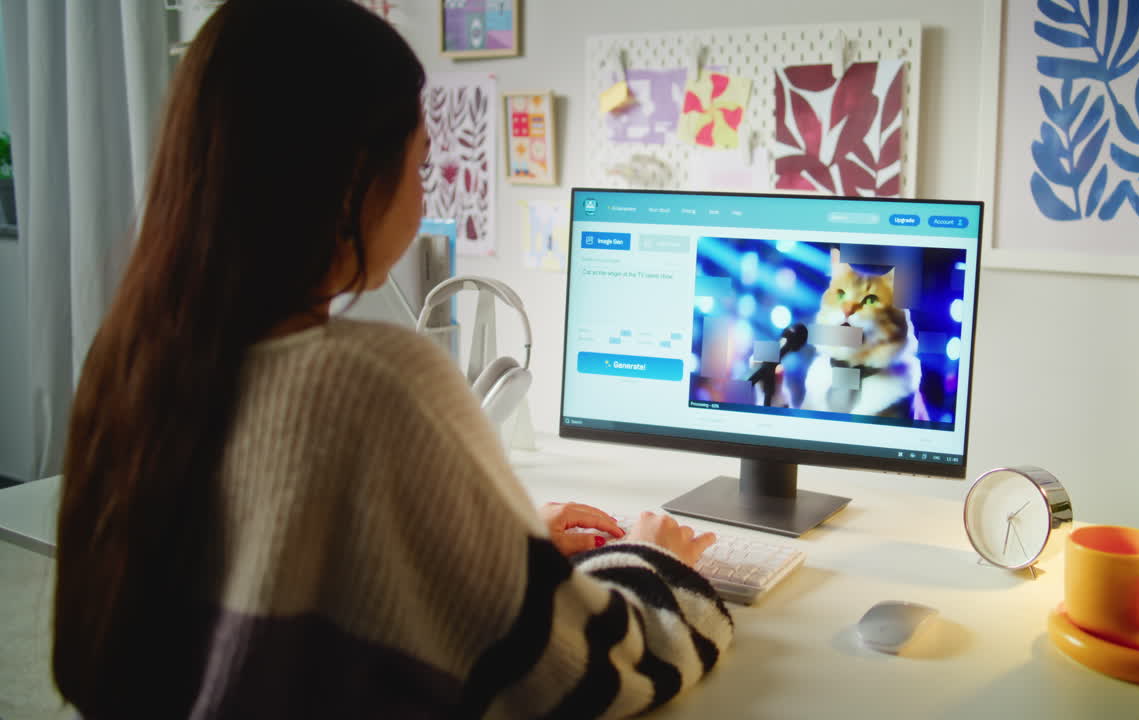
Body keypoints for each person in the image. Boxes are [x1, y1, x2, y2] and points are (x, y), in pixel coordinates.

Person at [51, 1, 732, 717]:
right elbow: (580, 677)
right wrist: (657, 562)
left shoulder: (128, 357)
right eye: (420, 164)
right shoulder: (372, 380)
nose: (422, 190)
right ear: (352, 179)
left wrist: (495, 548)